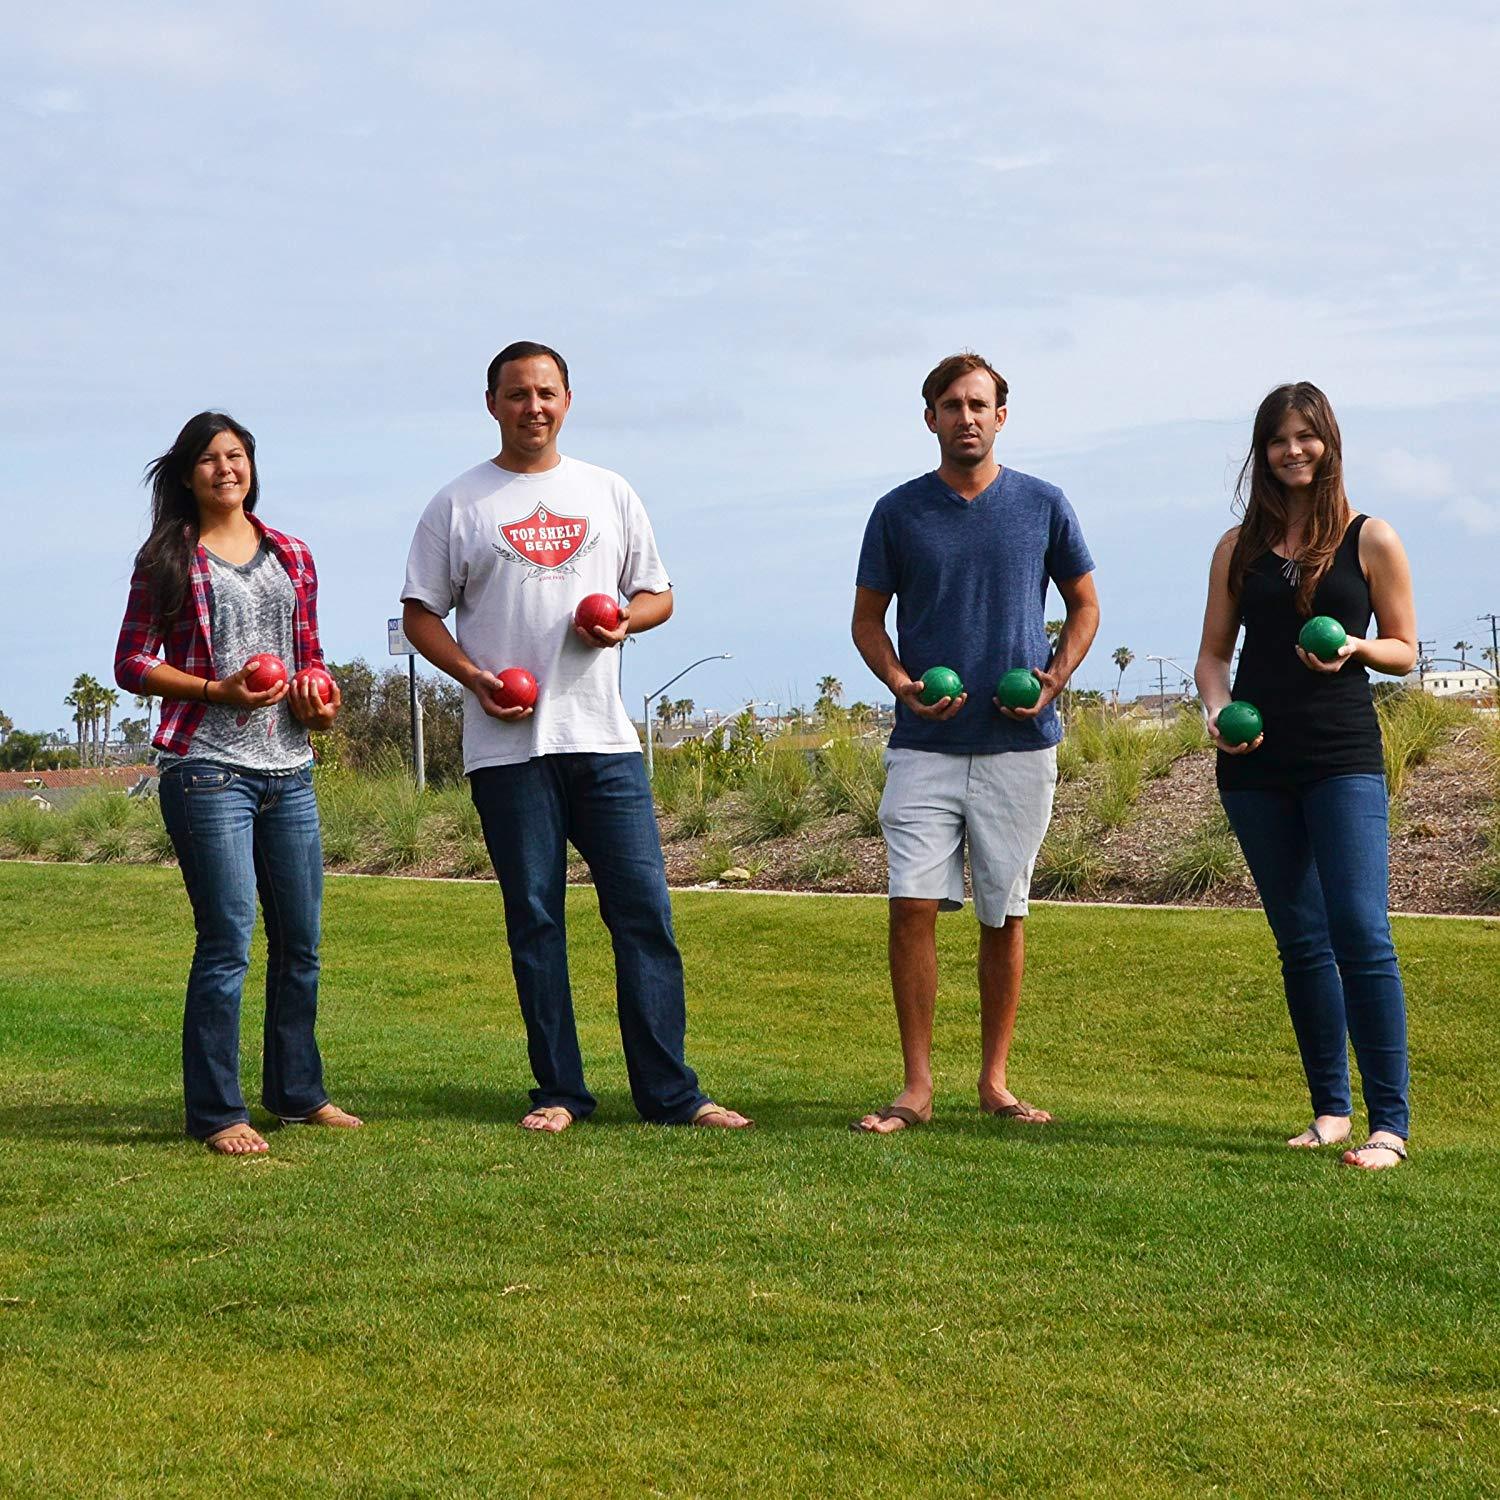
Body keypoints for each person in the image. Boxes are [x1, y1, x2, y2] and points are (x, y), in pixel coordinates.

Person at [399, 341, 750, 1133]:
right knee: (536, 923)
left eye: (546, 392)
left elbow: (657, 594)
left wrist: (624, 621)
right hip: (507, 750)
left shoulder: (607, 491)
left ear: (567, 400)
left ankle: (673, 1095)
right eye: (517, 393)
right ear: (492, 403)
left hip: (603, 741)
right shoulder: (457, 504)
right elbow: (421, 613)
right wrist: (474, 677)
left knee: (644, 915)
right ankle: (559, 1092)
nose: (533, 406)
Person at [850, 352, 1100, 1133]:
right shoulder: (897, 512)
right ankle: (916, 1088)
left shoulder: (1043, 504)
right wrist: (902, 683)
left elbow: (1086, 604)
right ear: (930, 418)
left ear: (1001, 416)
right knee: (911, 905)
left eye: (979, 404)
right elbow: (867, 621)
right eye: (952, 405)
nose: (966, 417)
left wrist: (1054, 680)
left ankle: (995, 1082)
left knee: (1004, 913)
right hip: (923, 745)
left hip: (1019, 747)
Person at [114, 411, 361, 1155]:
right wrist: (216, 691)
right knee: (227, 942)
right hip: (206, 770)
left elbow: (310, 654)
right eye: (210, 459)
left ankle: (298, 1095)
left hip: (290, 770)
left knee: (301, 944)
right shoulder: (168, 557)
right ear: (188, 475)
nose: (226, 468)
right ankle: (218, 1113)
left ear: (251, 467)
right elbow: (131, 662)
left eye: (237, 456)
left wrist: (319, 696)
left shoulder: (292, 553)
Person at [1193, 382, 1417, 1170]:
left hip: (1340, 755)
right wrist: (1217, 711)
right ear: (1262, 451)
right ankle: (1330, 1110)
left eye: (1306, 436)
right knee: (1301, 940)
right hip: (1254, 764)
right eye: (1279, 439)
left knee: (1360, 928)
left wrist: (1356, 647)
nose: (1293, 451)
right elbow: (1212, 656)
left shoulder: (1370, 537)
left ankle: (1389, 1125)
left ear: (1328, 443)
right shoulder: (1238, 548)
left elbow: (1404, 649)